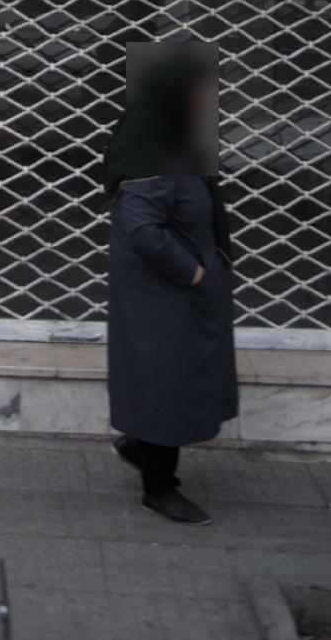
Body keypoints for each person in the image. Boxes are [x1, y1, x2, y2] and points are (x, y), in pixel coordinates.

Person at [102, 41, 238, 526]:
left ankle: (140, 448)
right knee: (166, 382)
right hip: (164, 296)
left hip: (174, 294)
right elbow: (141, 230)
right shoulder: (156, 150)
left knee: (170, 380)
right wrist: (194, 273)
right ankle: (159, 489)